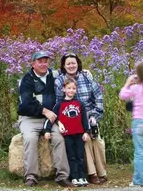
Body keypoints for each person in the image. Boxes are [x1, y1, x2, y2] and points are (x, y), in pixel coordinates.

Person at [17, 51, 73, 188]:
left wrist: (85, 72)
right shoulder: (27, 79)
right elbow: (27, 103)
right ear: (33, 64)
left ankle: (62, 176)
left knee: (59, 138)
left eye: (45, 61)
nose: (43, 64)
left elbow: (69, 76)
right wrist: (45, 111)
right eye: (40, 61)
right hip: (30, 118)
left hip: (51, 118)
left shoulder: (54, 75)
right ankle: (31, 176)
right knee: (30, 138)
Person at [55, 53, 108, 184]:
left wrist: (94, 116)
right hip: (72, 120)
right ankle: (92, 173)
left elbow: (98, 98)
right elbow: (58, 104)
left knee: (97, 140)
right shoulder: (59, 81)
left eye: (74, 63)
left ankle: (102, 172)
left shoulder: (87, 77)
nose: (71, 65)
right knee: (87, 140)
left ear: (78, 63)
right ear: (63, 66)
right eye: (68, 63)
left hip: (89, 115)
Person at [44, 77, 91, 187]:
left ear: (76, 90)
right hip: (67, 135)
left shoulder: (80, 104)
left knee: (80, 156)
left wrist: (86, 132)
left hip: (79, 134)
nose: (71, 90)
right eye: (69, 88)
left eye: (73, 88)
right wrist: (47, 130)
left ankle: (82, 177)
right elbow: (52, 118)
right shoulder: (59, 104)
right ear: (64, 89)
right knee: (72, 156)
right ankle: (74, 177)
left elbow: (85, 119)